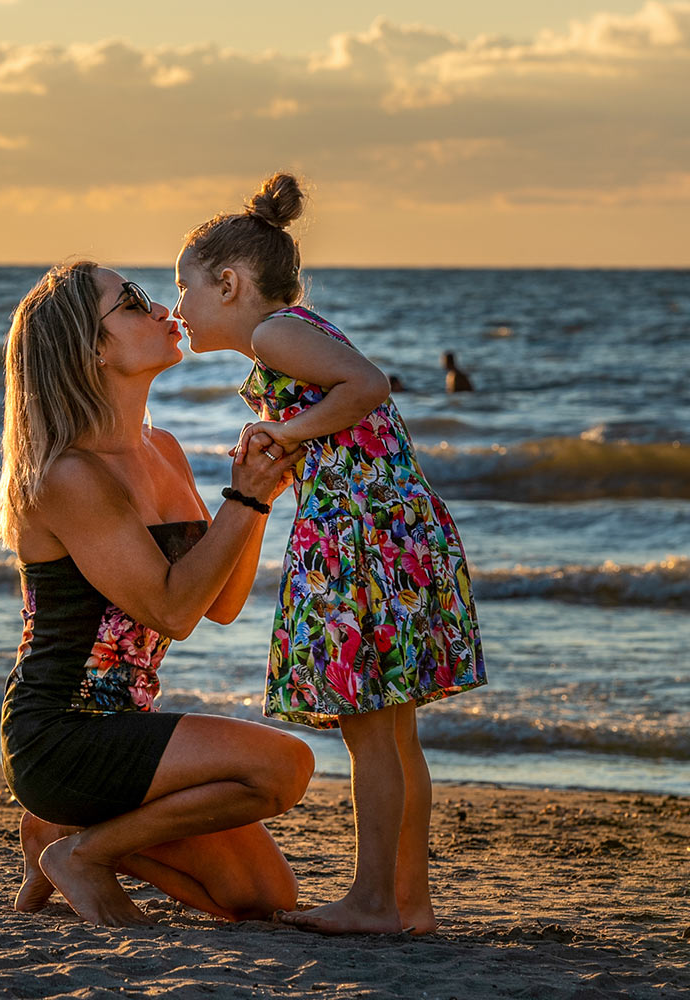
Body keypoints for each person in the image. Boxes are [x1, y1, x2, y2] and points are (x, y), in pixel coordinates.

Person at [173, 174, 487, 935]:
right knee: (391, 729)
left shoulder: (274, 333)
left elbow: (369, 387)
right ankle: (409, 904)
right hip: (394, 531)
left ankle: (377, 901)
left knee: (369, 726)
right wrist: (287, 443)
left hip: (362, 535)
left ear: (228, 282)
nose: (176, 307)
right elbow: (353, 404)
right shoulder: (293, 332)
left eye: (183, 288)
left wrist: (289, 433)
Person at [0, 261, 315, 927]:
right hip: (61, 734)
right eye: (131, 303)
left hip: (125, 731)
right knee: (283, 767)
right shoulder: (69, 475)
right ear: (92, 348)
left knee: (263, 897)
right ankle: (85, 851)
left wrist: (261, 495)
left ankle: (57, 836)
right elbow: (171, 610)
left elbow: (218, 603)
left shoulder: (161, 447)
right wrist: (243, 498)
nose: (164, 309)